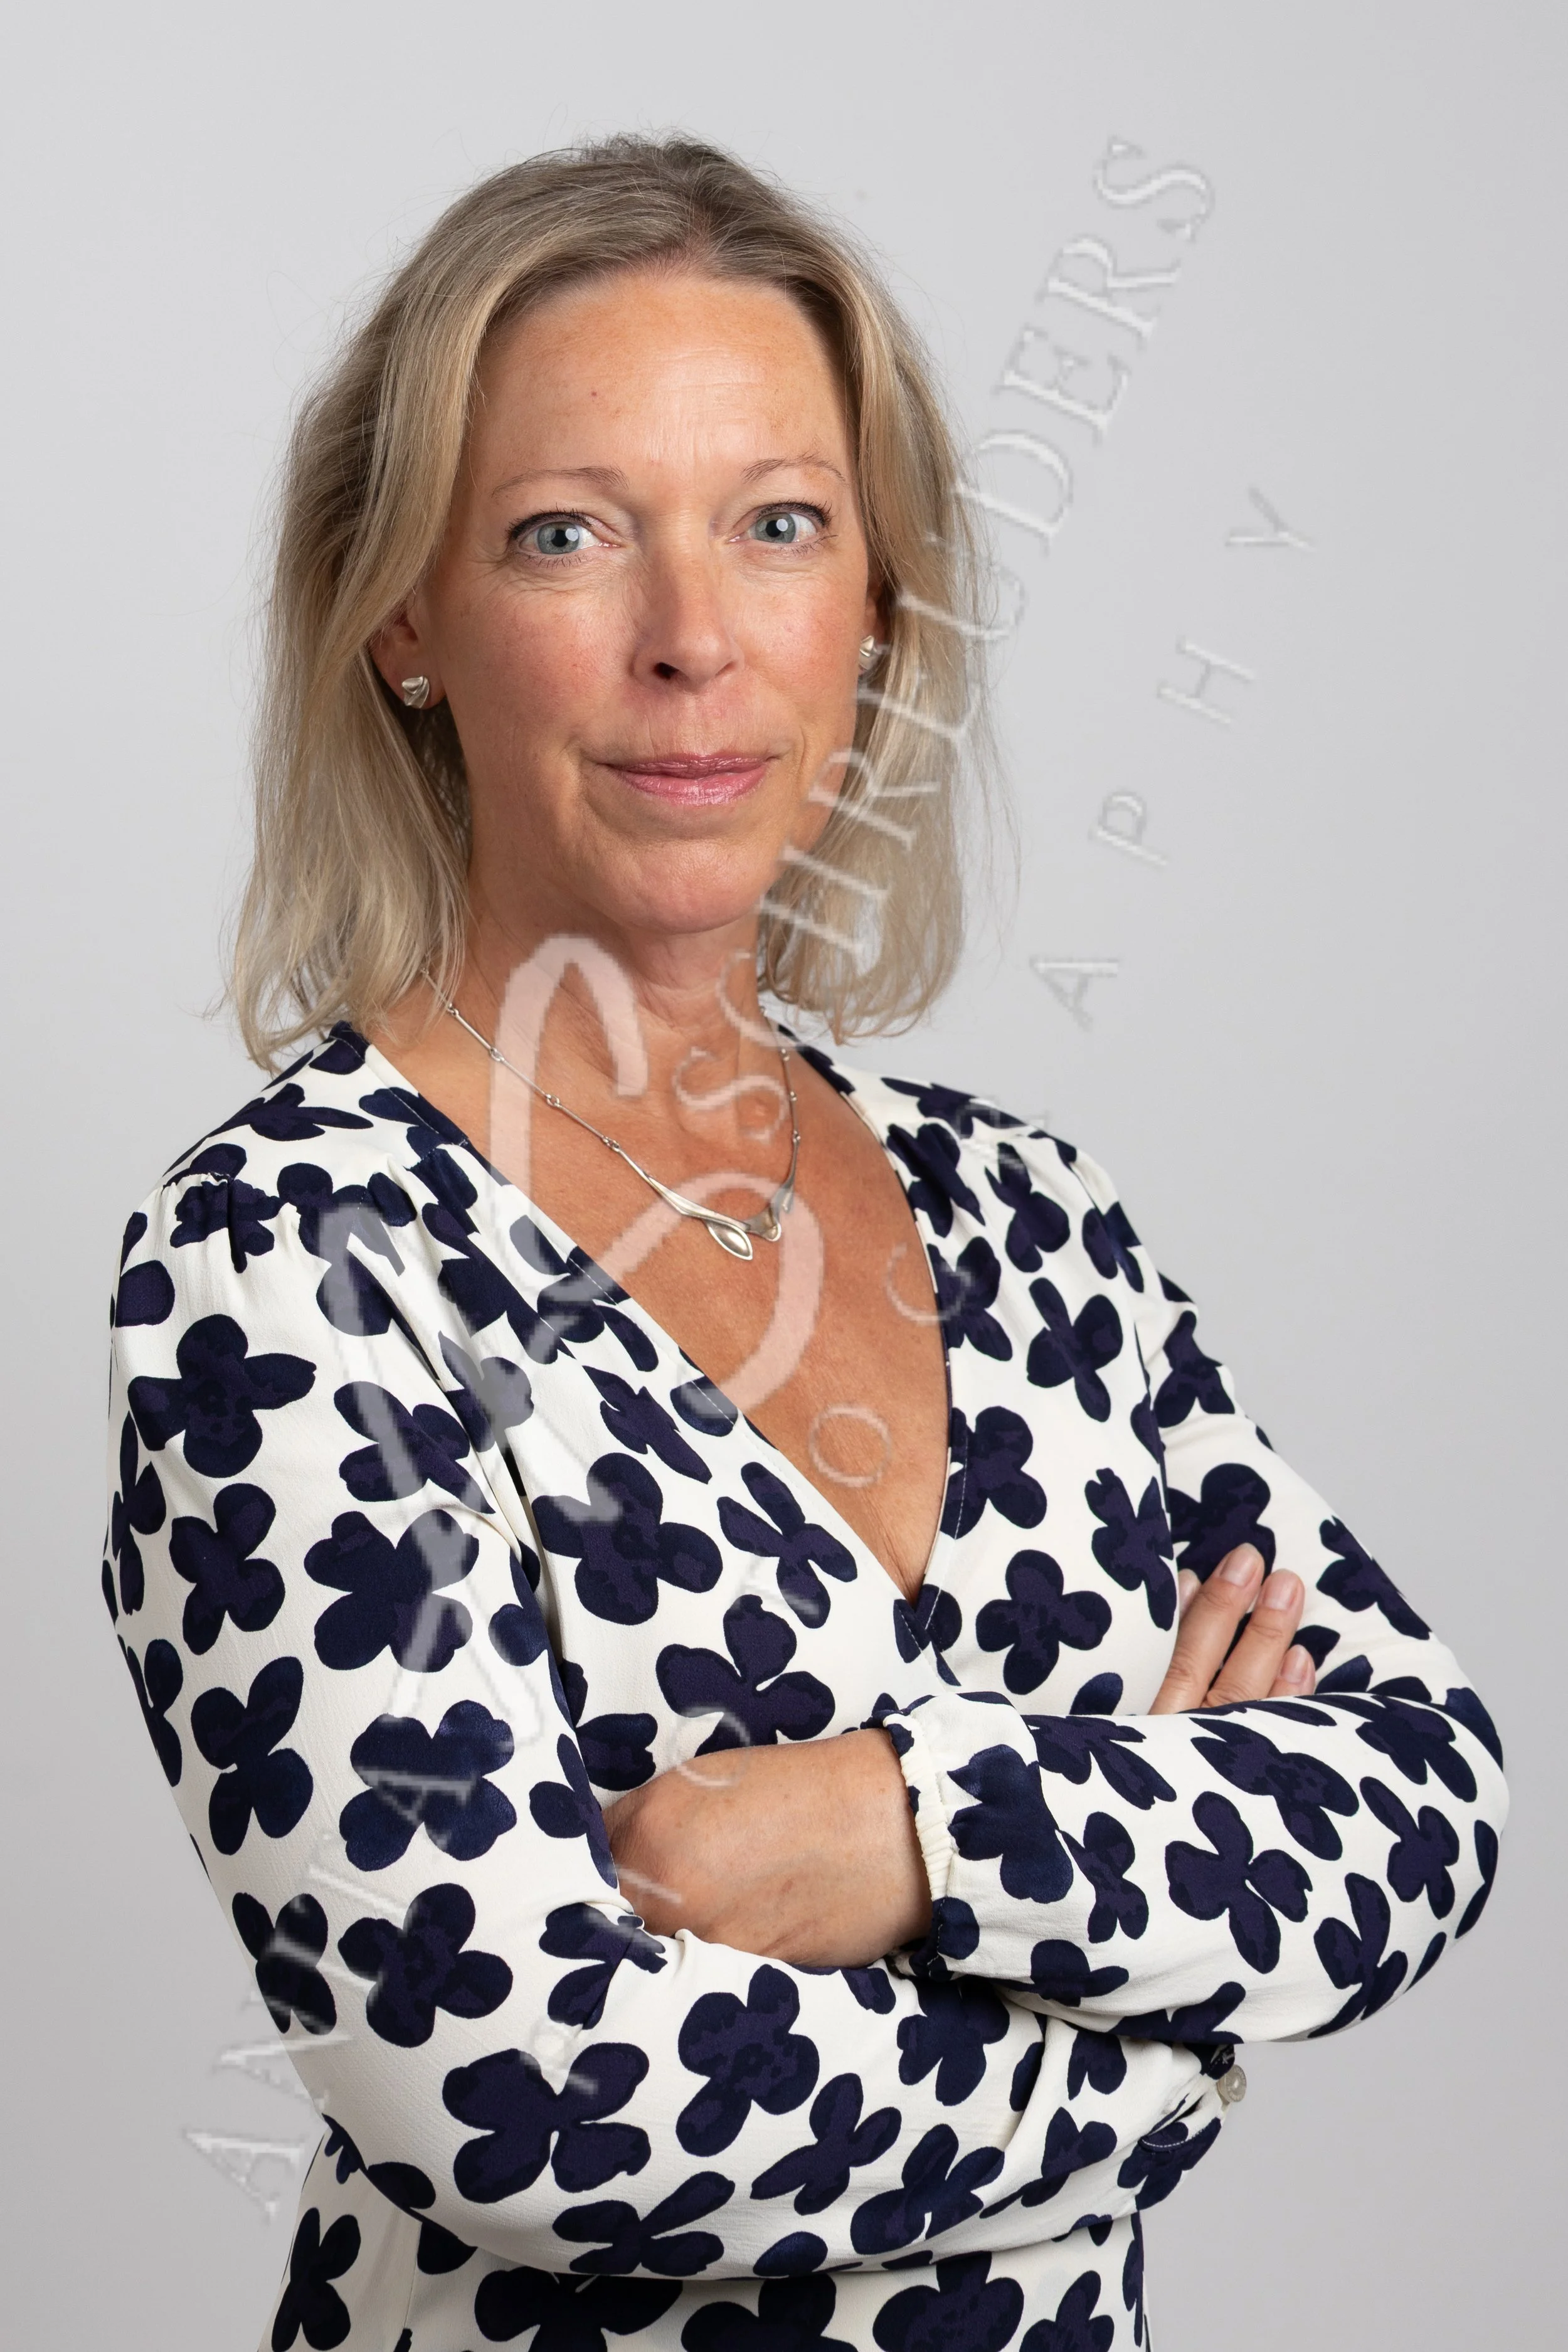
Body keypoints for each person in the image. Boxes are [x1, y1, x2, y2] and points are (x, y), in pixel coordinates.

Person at [105, 135, 1507, 2352]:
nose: (691, 639)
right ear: (402, 617)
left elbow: (1420, 1790)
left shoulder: (1032, 1219)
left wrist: (913, 1827)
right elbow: (525, 2104)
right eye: (564, 532)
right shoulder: (293, 1255)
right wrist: (1176, 2002)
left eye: (777, 524)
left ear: (874, 614)